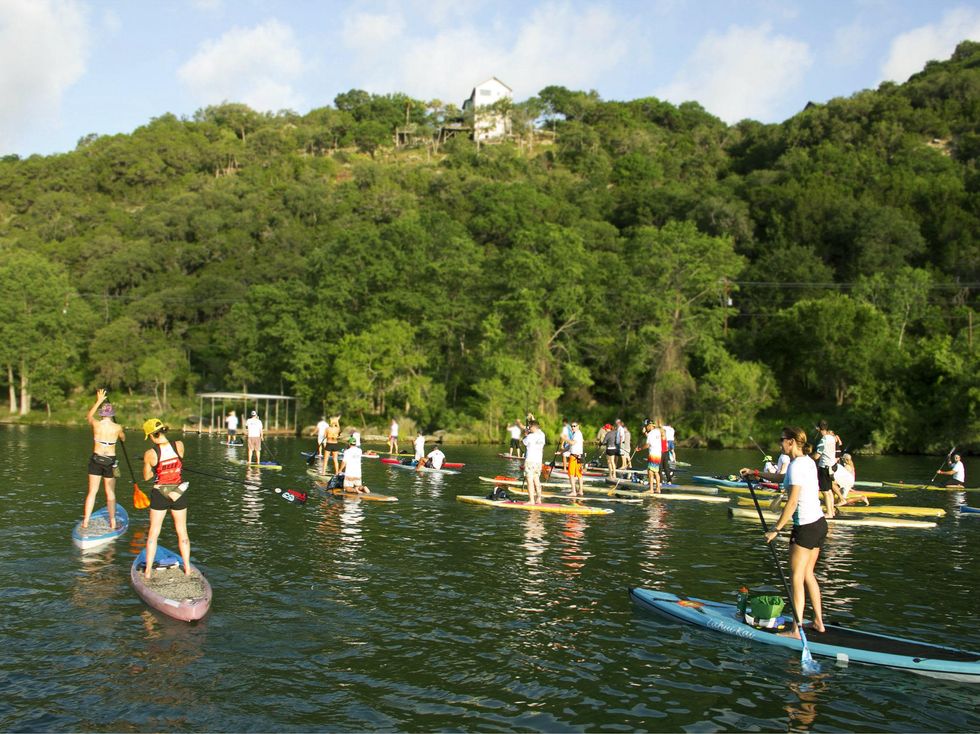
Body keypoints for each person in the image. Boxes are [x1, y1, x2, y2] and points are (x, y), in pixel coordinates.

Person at [750, 426, 827, 638]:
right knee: (808, 574)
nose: (779, 443)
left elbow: (792, 503)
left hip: (805, 527)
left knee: (796, 577)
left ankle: (796, 629)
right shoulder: (807, 462)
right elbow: (781, 479)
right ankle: (819, 622)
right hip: (819, 524)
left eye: (782, 439)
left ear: (791, 441)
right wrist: (756, 474)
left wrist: (776, 529)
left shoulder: (796, 466)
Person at [141, 418, 191, 579]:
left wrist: (151, 466)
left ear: (151, 435)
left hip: (160, 492)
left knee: (153, 533)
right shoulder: (179, 445)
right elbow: (179, 463)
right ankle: (188, 569)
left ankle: (148, 572)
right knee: (182, 532)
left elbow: (147, 477)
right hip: (178, 492)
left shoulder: (150, 454)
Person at [82, 389, 125, 530]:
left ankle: (86, 521)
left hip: (96, 458)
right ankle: (112, 522)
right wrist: (121, 435)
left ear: (101, 414)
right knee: (110, 493)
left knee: (92, 491)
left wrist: (99, 400)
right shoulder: (118, 427)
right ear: (112, 415)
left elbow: (88, 416)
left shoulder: (96, 424)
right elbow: (123, 438)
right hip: (110, 461)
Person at [814, 420, 841, 518]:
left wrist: (807, 458)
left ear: (818, 428)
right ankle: (832, 512)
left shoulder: (824, 439)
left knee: (825, 491)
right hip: (831, 466)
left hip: (824, 467)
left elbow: (817, 456)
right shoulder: (832, 438)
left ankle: (829, 513)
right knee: (829, 490)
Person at [522, 421, 546, 505]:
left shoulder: (530, 436)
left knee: (529, 480)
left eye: (529, 427)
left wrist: (526, 434)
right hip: (538, 462)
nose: (529, 428)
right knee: (537, 480)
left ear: (533, 427)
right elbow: (537, 428)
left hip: (530, 461)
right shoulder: (542, 435)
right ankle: (539, 499)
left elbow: (524, 442)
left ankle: (531, 500)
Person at [639, 419, 662, 493]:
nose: (646, 428)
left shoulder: (651, 433)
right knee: (656, 472)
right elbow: (651, 438)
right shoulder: (657, 432)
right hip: (658, 454)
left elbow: (648, 444)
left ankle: (651, 489)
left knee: (650, 472)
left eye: (646, 426)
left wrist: (640, 448)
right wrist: (645, 432)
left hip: (653, 454)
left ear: (649, 426)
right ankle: (658, 488)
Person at [563, 420, 585, 497]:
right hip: (578, 456)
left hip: (575, 457)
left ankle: (574, 492)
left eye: (574, 426)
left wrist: (565, 438)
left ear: (578, 426)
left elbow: (572, 443)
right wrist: (561, 451)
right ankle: (580, 491)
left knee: (571, 475)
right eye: (572, 426)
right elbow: (570, 446)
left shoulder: (577, 434)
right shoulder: (575, 434)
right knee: (579, 474)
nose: (572, 427)